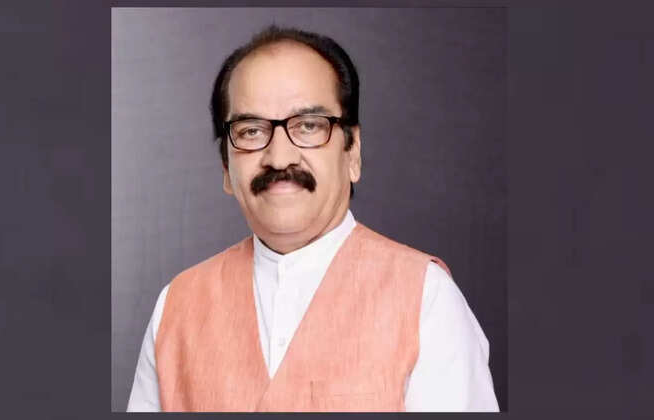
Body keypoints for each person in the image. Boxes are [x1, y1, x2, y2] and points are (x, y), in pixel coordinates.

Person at [126, 25, 499, 412]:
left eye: (308, 126)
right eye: (251, 131)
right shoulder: (177, 307)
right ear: (226, 168)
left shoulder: (426, 299)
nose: (279, 157)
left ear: (352, 153)